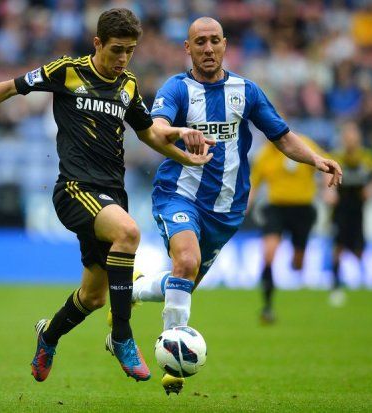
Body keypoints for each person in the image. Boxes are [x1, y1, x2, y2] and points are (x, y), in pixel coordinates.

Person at [0, 8, 214, 384]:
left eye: (130, 51)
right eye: (116, 50)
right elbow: (10, 87)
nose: (122, 59)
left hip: (112, 194)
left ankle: (48, 337)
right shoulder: (66, 70)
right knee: (128, 234)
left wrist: (185, 156)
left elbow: (148, 133)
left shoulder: (127, 84)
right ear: (97, 43)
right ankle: (122, 337)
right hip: (74, 189)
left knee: (93, 297)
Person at [126, 17, 342, 394]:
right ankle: (172, 363)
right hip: (179, 194)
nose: (208, 49)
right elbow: (156, 129)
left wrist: (316, 160)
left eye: (214, 41)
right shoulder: (177, 89)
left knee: (182, 282)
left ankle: (133, 291)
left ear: (225, 45)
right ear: (187, 49)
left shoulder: (246, 91)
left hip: (227, 211)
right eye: (200, 42)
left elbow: (283, 136)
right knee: (187, 261)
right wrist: (180, 132)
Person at [249, 134, 327, 324]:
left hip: (302, 209)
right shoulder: (264, 155)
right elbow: (254, 185)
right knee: (268, 254)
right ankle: (267, 307)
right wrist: (244, 207)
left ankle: (296, 262)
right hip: (276, 208)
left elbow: (325, 165)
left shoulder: (304, 144)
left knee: (298, 263)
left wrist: (329, 190)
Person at [325, 121, 372, 306]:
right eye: (347, 136)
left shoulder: (367, 159)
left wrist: (371, 189)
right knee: (337, 248)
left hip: (358, 208)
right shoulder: (336, 157)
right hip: (340, 208)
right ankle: (336, 287)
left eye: (352, 136)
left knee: (359, 250)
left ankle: (366, 282)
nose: (349, 139)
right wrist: (328, 191)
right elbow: (326, 178)